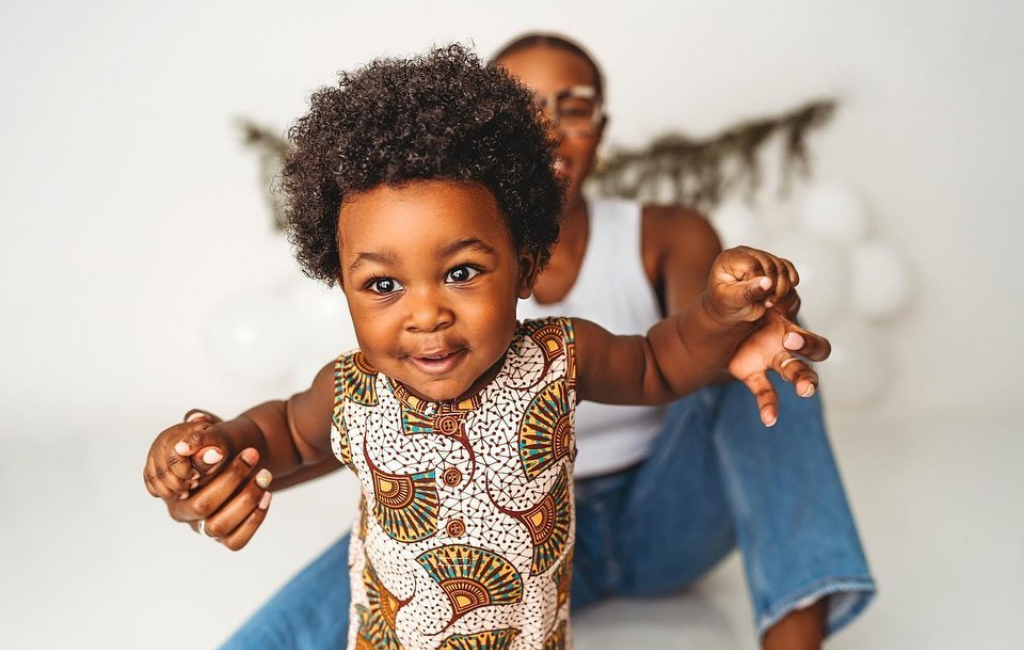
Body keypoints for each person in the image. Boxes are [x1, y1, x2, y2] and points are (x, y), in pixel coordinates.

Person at [154, 34, 873, 650]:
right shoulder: (356, 379)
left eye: (575, 106)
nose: (427, 314)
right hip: (505, 556)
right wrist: (217, 461)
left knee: (769, 357)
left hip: (657, 509)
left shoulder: (629, 272)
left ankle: (795, 627)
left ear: (525, 263)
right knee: (316, 601)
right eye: (529, 107)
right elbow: (298, 433)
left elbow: (663, 358)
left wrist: (729, 316)